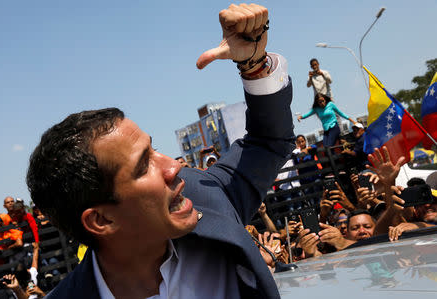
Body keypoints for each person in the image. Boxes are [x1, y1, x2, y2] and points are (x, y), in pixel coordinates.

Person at [26, 4, 295, 299]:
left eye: (154, 149)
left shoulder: (205, 197)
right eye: (143, 166)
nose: (174, 166)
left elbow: (268, 141)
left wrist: (254, 64)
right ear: (101, 220)